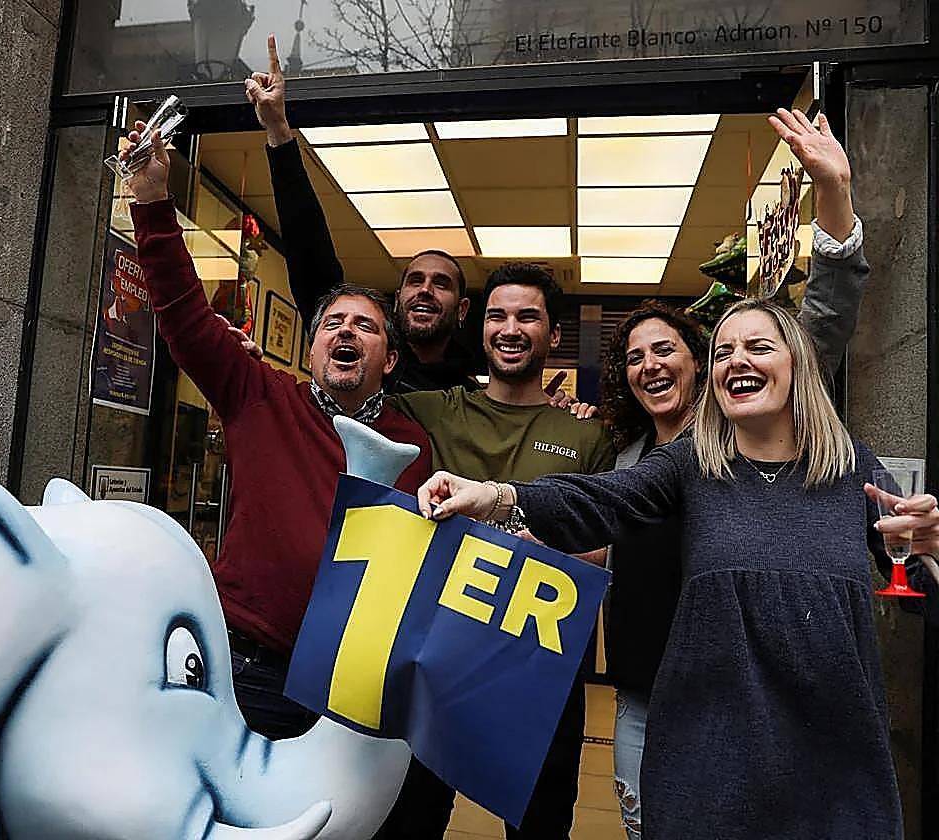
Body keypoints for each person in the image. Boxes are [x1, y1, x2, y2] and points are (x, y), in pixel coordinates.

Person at [417, 297, 939, 840]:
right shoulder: (691, 464)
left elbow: (918, 583)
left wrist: (932, 549)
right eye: (724, 352)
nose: (737, 361)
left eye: (759, 347)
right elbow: (600, 499)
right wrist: (495, 495)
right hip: (708, 764)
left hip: (836, 762)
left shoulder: (854, 470)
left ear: (799, 366)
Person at [598, 106, 871, 838]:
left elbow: (822, 322)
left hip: (739, 698)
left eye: (669, 351)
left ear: (701, 361)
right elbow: (591, 520)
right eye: (633, 359)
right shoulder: (625, 460)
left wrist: (836, 201)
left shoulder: (752, 436)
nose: (651, 365)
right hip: (642, 692)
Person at [119, 124, 434, 739]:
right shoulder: (259, 395)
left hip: (353, 684)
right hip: (248, 667)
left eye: (366, 328)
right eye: (334, 324)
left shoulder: (415, 447)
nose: (347, 333)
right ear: (312, 348)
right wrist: (153, 200)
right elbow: (184, 314)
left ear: (390, 361)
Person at [380, 261, 615, 840]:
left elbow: (600, 556)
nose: (510, 328)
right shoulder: (435, 410)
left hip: (541, 670)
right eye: (497, 316)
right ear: (479, 329)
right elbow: (346, 397)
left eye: (527, 317)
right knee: (412, 820)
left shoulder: (587, 434)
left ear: (553, 336)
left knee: (540, 824)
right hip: (436, 658)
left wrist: (545, 543)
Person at [245, 34, 478, 392]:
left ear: (461, 310)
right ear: (397, 300)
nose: (425, 290)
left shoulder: (471, 400)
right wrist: (278, 130)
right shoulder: (363, 363)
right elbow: (311, 253)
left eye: (441, 284)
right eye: (415, 281)